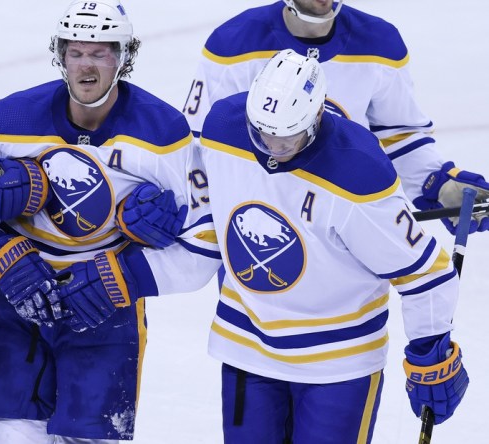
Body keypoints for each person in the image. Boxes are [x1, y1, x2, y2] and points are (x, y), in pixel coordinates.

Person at [0, 1, 220, 442]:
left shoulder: (163, 133)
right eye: (76, 52)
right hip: (24, 298)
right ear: (60, 54)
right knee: (10, 434)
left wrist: (124, 276)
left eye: (100, 53)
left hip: (108, 310)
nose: (86, 65)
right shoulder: (8, 122)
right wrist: (5, 259)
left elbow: (204, 241)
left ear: (124, 56)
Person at [198, 49, 468, 443]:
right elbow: (195, 199)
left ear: (316, 117)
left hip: (338, 364)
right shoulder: (223, 127)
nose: (272, 144)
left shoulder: (357, 170)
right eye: (262, 131)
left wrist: (431, 349)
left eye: (287, 134)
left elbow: (426, 271)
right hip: (246, 348)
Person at [183, 0, 489, 234]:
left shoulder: (379, 43)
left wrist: (436, 184)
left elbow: (399, 138)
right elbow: (201, 151)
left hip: (348, 227)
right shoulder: (233, 44)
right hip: (261, 228)